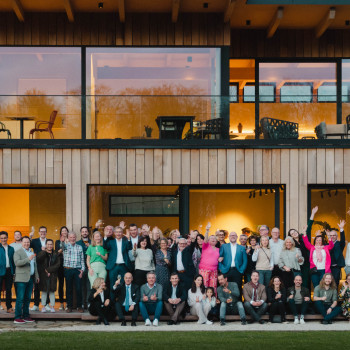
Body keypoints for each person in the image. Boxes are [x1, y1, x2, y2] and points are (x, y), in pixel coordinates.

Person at [288, 206, 318, 288]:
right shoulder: (292, 244)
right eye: (292, 233)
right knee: (304, 282)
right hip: (301, 264)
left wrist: (313, 214)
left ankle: (311, 298)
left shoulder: (303, 237)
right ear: (291, 236)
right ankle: (305, 298)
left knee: (312, 281)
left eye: (294, 231)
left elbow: (309, 227)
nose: (294, 233)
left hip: (310, 262)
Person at [13, 236, 39, 324]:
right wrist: (28, 259)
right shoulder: (18, 252)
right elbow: (17, 263)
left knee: (27, 299)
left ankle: (26, 316)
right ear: (21, 243)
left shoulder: (31, 252)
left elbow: (34, 266)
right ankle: (17, 317)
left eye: (28, 242)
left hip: (30, 279)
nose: (27, 244)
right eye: (25, 242)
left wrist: (36, 276)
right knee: (20, 299)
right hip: (21, 279)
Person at [104, 226, 131, 295]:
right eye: (117, 232)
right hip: (113, 266)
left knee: (123, 284)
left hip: (123, 266)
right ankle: (112, 303)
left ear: (122, 233)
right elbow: (105, 246)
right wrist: (105, 237)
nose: (118, 233)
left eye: (120, 232)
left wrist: (128, 239)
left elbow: (129, 247)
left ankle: (122, 302)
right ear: (114, 233)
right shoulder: (111, 242)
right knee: (112, 284)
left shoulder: (125, 242)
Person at [62, 232, 85, 313]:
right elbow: (61, 246)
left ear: (76, 238)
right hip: (68, 269)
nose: (72, 238)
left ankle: (79, 306)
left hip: (77, 270)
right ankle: (69, 306)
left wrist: (82, 270)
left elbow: (82, 259)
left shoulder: (79, 247)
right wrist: (62, 241)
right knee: (69, 289)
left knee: (78, 288)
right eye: (70, 237)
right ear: (68, 238)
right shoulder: (66, 246)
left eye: (74, 237)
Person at [36, 239, 60, 313]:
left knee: (52, 292)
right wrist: (44, 252)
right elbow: (38, 261)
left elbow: (58, 264)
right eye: (48, 244)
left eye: (51, 244)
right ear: (46, 245)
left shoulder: (56, 254)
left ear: (53, 245)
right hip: (44, 275)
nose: (49, 246)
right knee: (44, 291)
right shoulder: (42, 253)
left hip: (53, 275)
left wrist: (49, 270)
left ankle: (52, 306)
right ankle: (43, 306)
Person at [30, 226, 47, 311]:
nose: (42, 233)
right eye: (41, 231)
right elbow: (28, 245)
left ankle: (46, 304)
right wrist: (30, 236)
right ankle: (36, 304)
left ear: (46, 232)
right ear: (39, 232)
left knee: (46, 285)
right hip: (37, 266)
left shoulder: (49, 241)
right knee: (36, 285)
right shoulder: (35, 241)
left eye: (44, 231)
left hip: (46, 266)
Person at [198, 223, 220, 294]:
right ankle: (203, 301)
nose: (213, 239)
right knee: (204, 286)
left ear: (216, 241)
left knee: (213, 287)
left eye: (214, 238)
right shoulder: (206, 246)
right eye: (211, 238)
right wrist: (207, 230)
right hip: (204, 270)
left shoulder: (218, 249)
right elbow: (205, 239)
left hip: (214, 270)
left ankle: (213, 302)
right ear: (208, 240)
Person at [77, 226, 91, 310]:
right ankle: (82, 304)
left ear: (88, 233)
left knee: (89, 286)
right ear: (81, 233)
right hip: (81, 268)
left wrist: (90, 246)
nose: (85, 233)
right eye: (83, 231)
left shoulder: (92, 242)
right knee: (82, 287)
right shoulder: (78, 243)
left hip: (90, 267)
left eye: (86, 231)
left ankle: (89, 303)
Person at [0, 231, 15, 313]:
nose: (3, 239)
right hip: (0, 271)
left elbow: (13, 261)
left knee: (9, 290)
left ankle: (9, 307)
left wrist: (14, 272)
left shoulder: (11, 248)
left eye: (5, 238)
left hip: (9, 271)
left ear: (7, 238)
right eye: (2, 238)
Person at [329, 220, 346, 287]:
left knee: (335, 283)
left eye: (334, 235)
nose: (332, 236)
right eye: (331, 235)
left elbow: (343, 240)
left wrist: (341, 229)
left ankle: (334, 297)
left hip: (336, 267)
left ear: (336, 236)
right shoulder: (327, 245)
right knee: (328, 283)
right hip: (328, 267)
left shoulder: (339, 244)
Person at [55, 226, 68, 310]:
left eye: (65, 231)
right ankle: (61, 303)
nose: (64, 232)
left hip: (68, 264)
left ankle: (67, 303)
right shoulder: (57, 241)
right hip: (59, 265)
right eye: (62, 231)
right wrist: (63, 245)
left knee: (68, 285)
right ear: (60, 233)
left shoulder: (70, 240)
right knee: (60, 285)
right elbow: (56, 252)